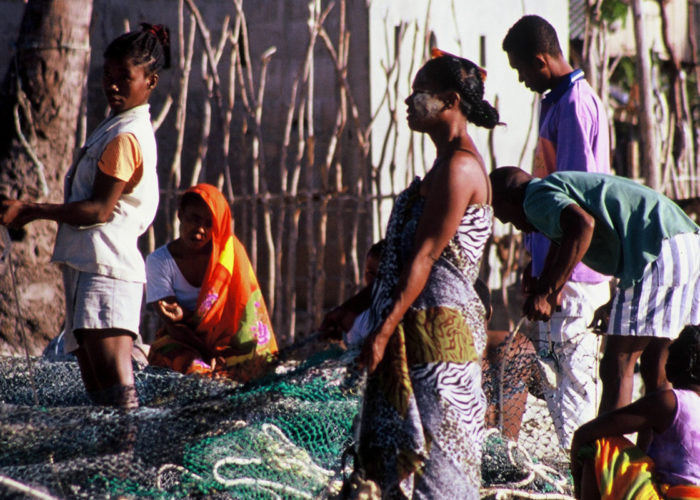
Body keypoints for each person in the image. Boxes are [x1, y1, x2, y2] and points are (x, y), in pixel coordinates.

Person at [321, 48, 497, 498]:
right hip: (412, 330)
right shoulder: (441, 166)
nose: (408, 101)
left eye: (420, 93)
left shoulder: (460, 168)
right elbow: (401, 260)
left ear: (450, 101)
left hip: (441, 345)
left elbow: (424, 258)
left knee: (441, 466)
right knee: (393, 464)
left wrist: (381, 330)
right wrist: (357, 306)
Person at [0, 24, 169, 409]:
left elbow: (99, 209)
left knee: (117, 391)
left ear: (150, 82)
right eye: (108, 76)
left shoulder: (127, 135)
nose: (113, 85)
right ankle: (114, 461)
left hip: (108, 273)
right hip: (91, 269)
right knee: (99, 392)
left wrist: (31, 210)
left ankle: (126, 461)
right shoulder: (113, 127)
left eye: (124, 77)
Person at [489, 167, 700, 424]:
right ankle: (657, 455)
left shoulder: (533, 196)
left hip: (657, 252)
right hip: (685, 246)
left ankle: (603, 456)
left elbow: (582, 225)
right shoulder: (558, 187)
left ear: (509, 200)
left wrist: (546, 292)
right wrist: (544, 281)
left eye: (505, 217)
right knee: (657, 369)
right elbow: (566, 237)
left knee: (617, 365)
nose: (507, 224)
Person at [502, 14, 612, 449]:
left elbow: (576, 208)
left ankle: (579, 476)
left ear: (540, 60)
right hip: (557, 271)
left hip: (575, 275)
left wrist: (555, 281)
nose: (521, 79)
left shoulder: (574, 105)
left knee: (575, 387)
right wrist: (537, 263)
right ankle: (571, 472)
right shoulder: (554, 102)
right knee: (558, 384)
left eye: (521, 70)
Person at [145, 183, 278, 382]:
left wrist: (221, 354)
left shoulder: (228, 258)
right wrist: (208, 352)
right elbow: (173, 326)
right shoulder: (159, 261)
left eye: (209, 224)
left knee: (258, 367)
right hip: (184, 341)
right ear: (180, 215)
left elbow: (245, 313)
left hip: (228, 343)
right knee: (195, 371)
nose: (199, 230)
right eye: (193, 219)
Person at [570, 325, 700, 499]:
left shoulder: (671, 402)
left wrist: (577, 485)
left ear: (673, 362)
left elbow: (585, 433)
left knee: (601, 444)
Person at [475, 278, 544, 441]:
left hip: (464, 454)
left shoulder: (441, 357)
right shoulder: (516, 345)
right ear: (490, 312)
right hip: (507, 455)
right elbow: (551, 393)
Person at [324, 239, 385, 347]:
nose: (374, 280)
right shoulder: (359, 317)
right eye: (370, 273)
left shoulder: (395, 315)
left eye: (381, 276)